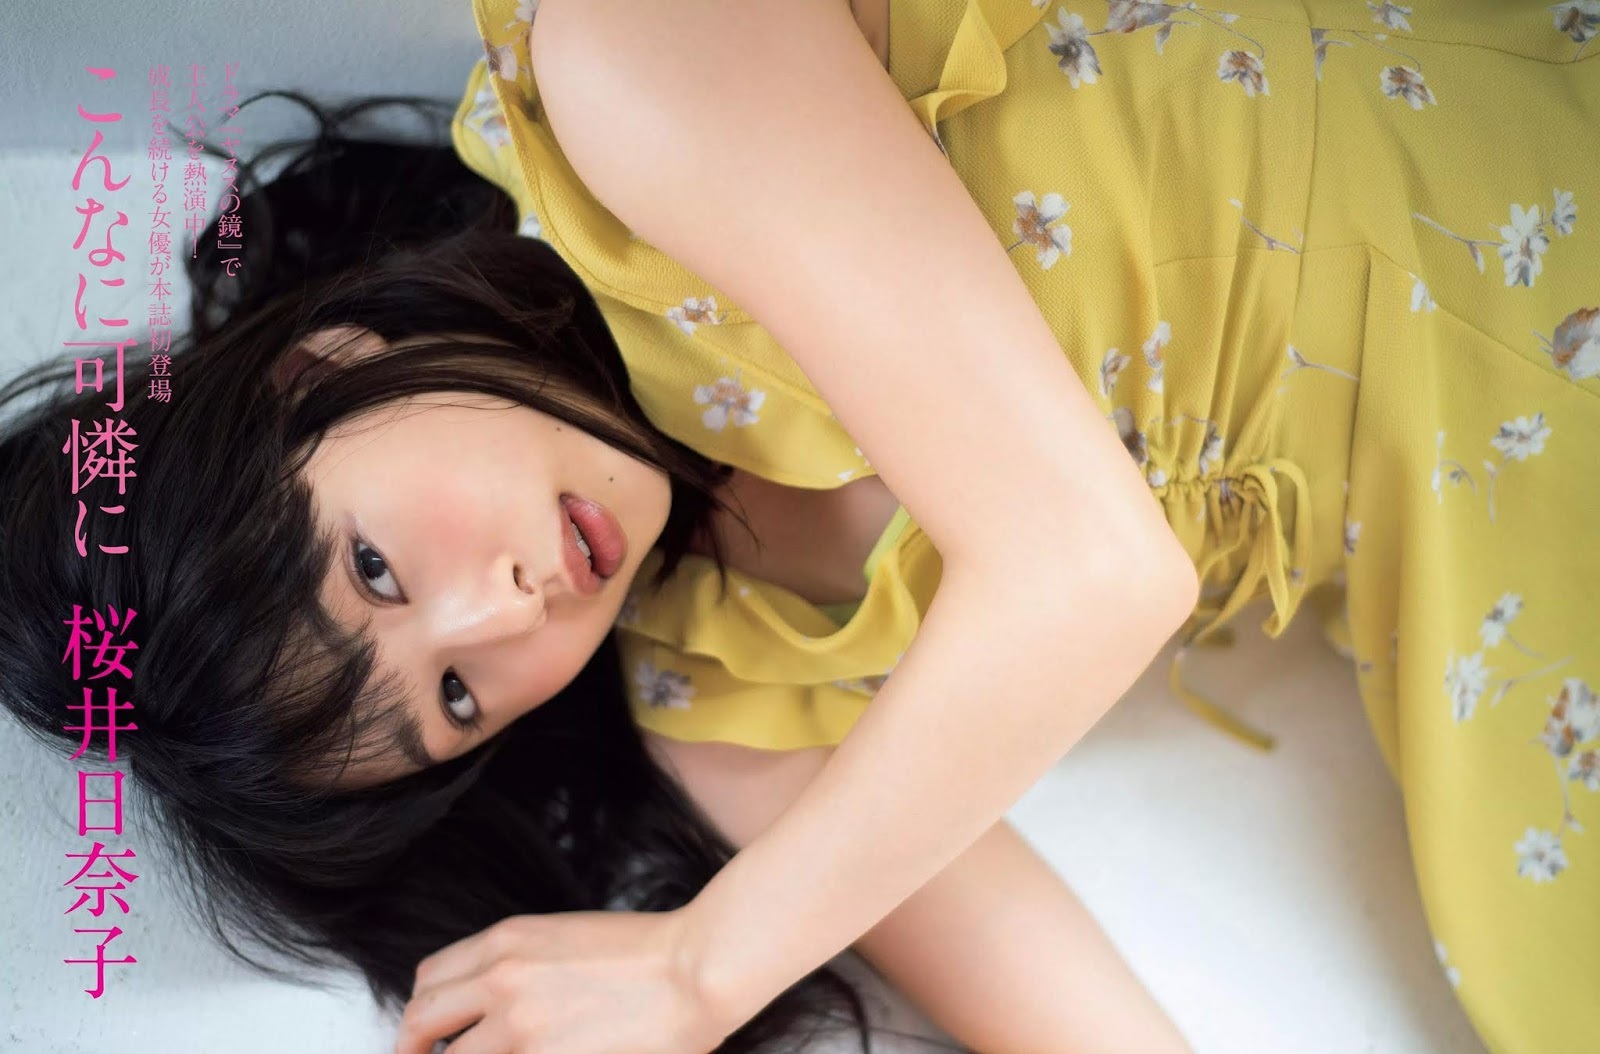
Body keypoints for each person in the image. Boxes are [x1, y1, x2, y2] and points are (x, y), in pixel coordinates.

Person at [0, 0, 1589, 1052]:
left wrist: (702, 966)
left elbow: (1095, 566)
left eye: (377, 569)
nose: (507, 612)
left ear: (321, 365)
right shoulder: (719, 691)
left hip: (1520, 214)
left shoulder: (621, 71)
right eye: (457, 699)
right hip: (1483, 575)